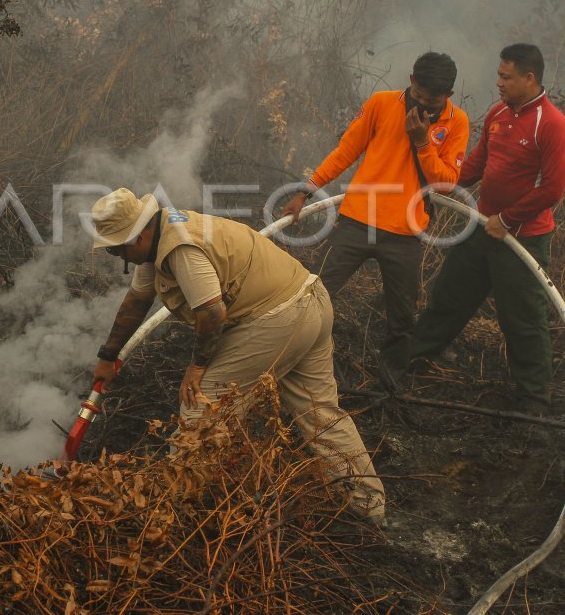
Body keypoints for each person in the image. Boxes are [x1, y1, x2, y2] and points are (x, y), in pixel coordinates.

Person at [89, 188, 386, 524]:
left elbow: (212, 314)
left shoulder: (181, 247)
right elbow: (136, 302)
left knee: (201, 403)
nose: (117, 256)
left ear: (138, 234)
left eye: (117, 248)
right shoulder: (159, 237)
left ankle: (179, 512)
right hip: (311, 300)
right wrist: (108, 355)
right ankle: (369, 506)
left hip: (280, 317)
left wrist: (198, 365)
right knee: (321, 415)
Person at [380, 44, 565, 413]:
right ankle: (412, 364)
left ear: (529, 78)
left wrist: (510, 219)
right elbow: (474, 166)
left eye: (506, 76)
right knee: (447, 299)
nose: (498, 82)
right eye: (499, 75)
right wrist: (436, 189)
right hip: (481, 226)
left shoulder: (551, 125)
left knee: (522, 319)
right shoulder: (499, 112)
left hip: (522, 238)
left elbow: (552, 188)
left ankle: (533, 399)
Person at [281, 52, 469, 382]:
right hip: (357, 220)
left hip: (406, 232)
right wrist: (306, 190)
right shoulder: (382, 104)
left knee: (402, 316)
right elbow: (346, 150)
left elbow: (447, 184)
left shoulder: (457, 122)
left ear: (448, 96)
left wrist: (423, 142)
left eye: (433, 101)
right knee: (314, 292)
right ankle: (286, 361)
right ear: (411, 80)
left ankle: (391, 383)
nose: (424, 105)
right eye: (419, 96)